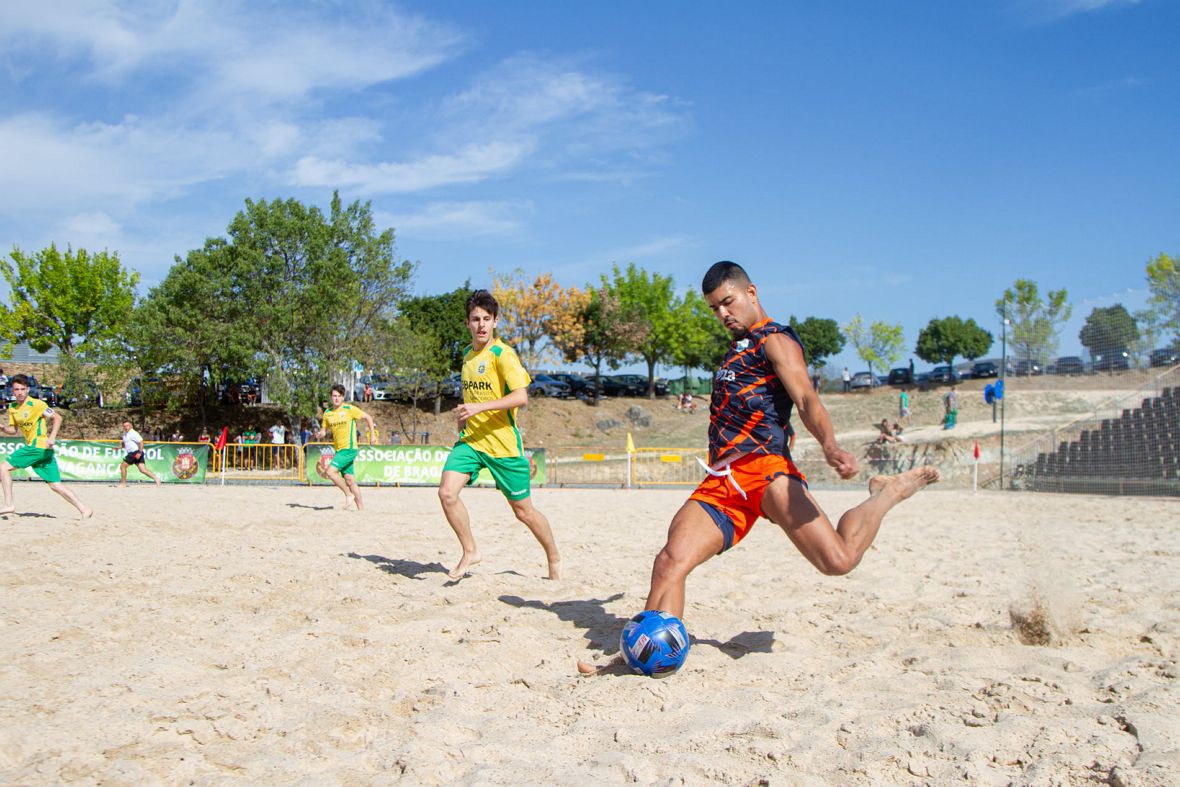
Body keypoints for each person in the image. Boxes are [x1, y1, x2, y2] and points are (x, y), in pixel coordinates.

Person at [636, 262, 938, 622]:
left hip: (765, 470)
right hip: (721, 479)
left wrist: (830, 446)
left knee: (837, 560)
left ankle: (886, 493)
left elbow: (807, 399)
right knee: (670, 561)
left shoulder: (775, 340)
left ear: (751, 292)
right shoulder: (737, 349)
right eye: (714, 308)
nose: (722, 313)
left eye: (727, 302)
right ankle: (647, 650)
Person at [438, 289, 561, 581]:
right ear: (467, 323)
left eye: (486, 319)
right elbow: (472, 398)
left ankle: (553, 556)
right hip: (471, 441)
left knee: (524, 512)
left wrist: (479, 408)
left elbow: (521, 397)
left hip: (503, 445)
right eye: (475, 319)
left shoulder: (503, 355)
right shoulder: (467, 355)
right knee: (446, 493)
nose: (481, 324)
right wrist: (464, 419)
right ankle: (470, 551)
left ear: (495, 322)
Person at [0, 374, 92, 518]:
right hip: (43, 451)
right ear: (12, 390)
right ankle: (84, 509)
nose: (19, 392)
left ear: (28, 390)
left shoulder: (37, 404)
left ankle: (9, 504)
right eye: (17, 389)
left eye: (22, 389)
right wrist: (3, 428)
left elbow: (57, 417)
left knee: (3, 467)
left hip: (39, 446)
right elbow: (13, 430)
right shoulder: (13, 408)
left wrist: (52, 437)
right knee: (55, 484)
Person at [315, 384, 376, 510]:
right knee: (349, 479)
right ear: (331, 398)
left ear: (343, 397)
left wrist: (372, 436)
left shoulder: (349, 409)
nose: (336, 398)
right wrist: (320, 434)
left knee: (330, 472)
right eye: (334, 396)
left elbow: (368, 417)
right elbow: (324, 430)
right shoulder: (328, 413)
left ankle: (348, 495)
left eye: (339, 396)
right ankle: (361, 510)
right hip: (339, 449)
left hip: (349, 448)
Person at [119, 420, 162, 486]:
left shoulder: (133, 433)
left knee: (122, 466)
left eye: (127, 425)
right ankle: (156, 479)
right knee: (143, 470)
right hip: (135, 453)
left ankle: (123, 483)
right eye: (124, 426)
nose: (125, 427)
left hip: (135, 452)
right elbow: (124, 444)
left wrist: (139, 452)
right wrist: (119, 447)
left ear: (131, 426)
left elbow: (141, 442)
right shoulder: (125, 434)